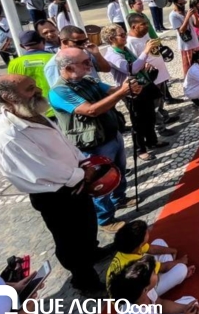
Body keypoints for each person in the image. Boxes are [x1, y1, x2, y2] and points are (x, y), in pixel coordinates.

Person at [0, 74, 104, 292]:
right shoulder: (8, 135)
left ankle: (93, 253)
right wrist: (81, 174)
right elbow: (43, 170)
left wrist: (82, 162)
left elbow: (62, 144)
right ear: (8, 97)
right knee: (70, 242)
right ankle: (85, 282)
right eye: (30, 89)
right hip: (55, 195)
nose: (38, 90)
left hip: (75, 181)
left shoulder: (32, 115)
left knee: (87, 225)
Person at [49, 48, 138, 232]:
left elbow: (111, 90)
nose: (90, 65)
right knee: (99, 183)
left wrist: (128, 88)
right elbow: (90, 110)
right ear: (68, 67)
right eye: (85, 62)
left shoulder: (87, 80)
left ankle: (119, 198)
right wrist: (122, 93)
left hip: (112, 134)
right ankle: (105, 219)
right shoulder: (59, 92)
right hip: (93, 145)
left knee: (119, 171)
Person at [102, 24, 165, 162]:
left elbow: (137, 63)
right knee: (138, 122)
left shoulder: (125, 49)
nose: (125, 36)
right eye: (122, 35)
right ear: (112, 38)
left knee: (150, 116)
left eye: (124, 33)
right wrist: (145, 51)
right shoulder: (112, 55)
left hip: (143, 85)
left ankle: (152, 140)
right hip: (131, 91)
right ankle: (140, 149)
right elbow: (130, 69)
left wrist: (145, 64)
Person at [110, 256, 199, 314]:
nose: (156, 273)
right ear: (145, 288)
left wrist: (185, 308)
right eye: (153, 273)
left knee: (192, 303)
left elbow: (160, 304)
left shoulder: (143, 291)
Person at [107, 220, 192, 297]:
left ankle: (160, 274)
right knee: (182, 269)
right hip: (135, 299)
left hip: (130, 286)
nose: (149, 231)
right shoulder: (137, 263)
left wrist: (173, 251)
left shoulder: (127, 248)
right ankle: (156, 287)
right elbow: (164, 267)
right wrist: (181, 261)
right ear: (140, 245)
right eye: (146, 232)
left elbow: (153, 249)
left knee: (159, 242)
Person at [7, 30, 55, 119]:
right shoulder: (55, 58)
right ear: (43, 41)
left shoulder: (14, 63)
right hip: (57, 108)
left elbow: (12, 88)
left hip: (31, 111)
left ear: (22, 46)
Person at [43, 25, 111, 86]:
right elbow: (59, 91)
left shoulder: (86, 53)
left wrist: (97, 54)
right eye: (79, 42)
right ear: (65, 42)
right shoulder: (54, 64)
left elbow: (106, 69)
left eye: (85, 41)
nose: (83, 45)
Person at [169, 0, 199, 76]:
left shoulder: (186, 12)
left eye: (184, 2)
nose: (183, 4)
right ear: (175, 2)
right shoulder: (173, 15)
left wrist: (195, 15)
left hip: (195, 42)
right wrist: (187, 17)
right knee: (189, 68)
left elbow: (196, 25)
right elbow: (181, 30)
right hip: (186, 45)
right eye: (181, 3)